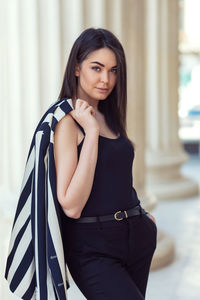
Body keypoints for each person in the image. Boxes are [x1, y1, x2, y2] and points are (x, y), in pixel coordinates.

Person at [53, 27, 157, 300]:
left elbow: (116, 176)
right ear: (76, 68)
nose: (106, 79)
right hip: (93, 249)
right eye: (96, 68)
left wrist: (142, 217)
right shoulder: (67, 120)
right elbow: (71, 205)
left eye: (113, 70)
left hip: (136, 237)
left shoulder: (107, 114)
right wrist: (91, 134)